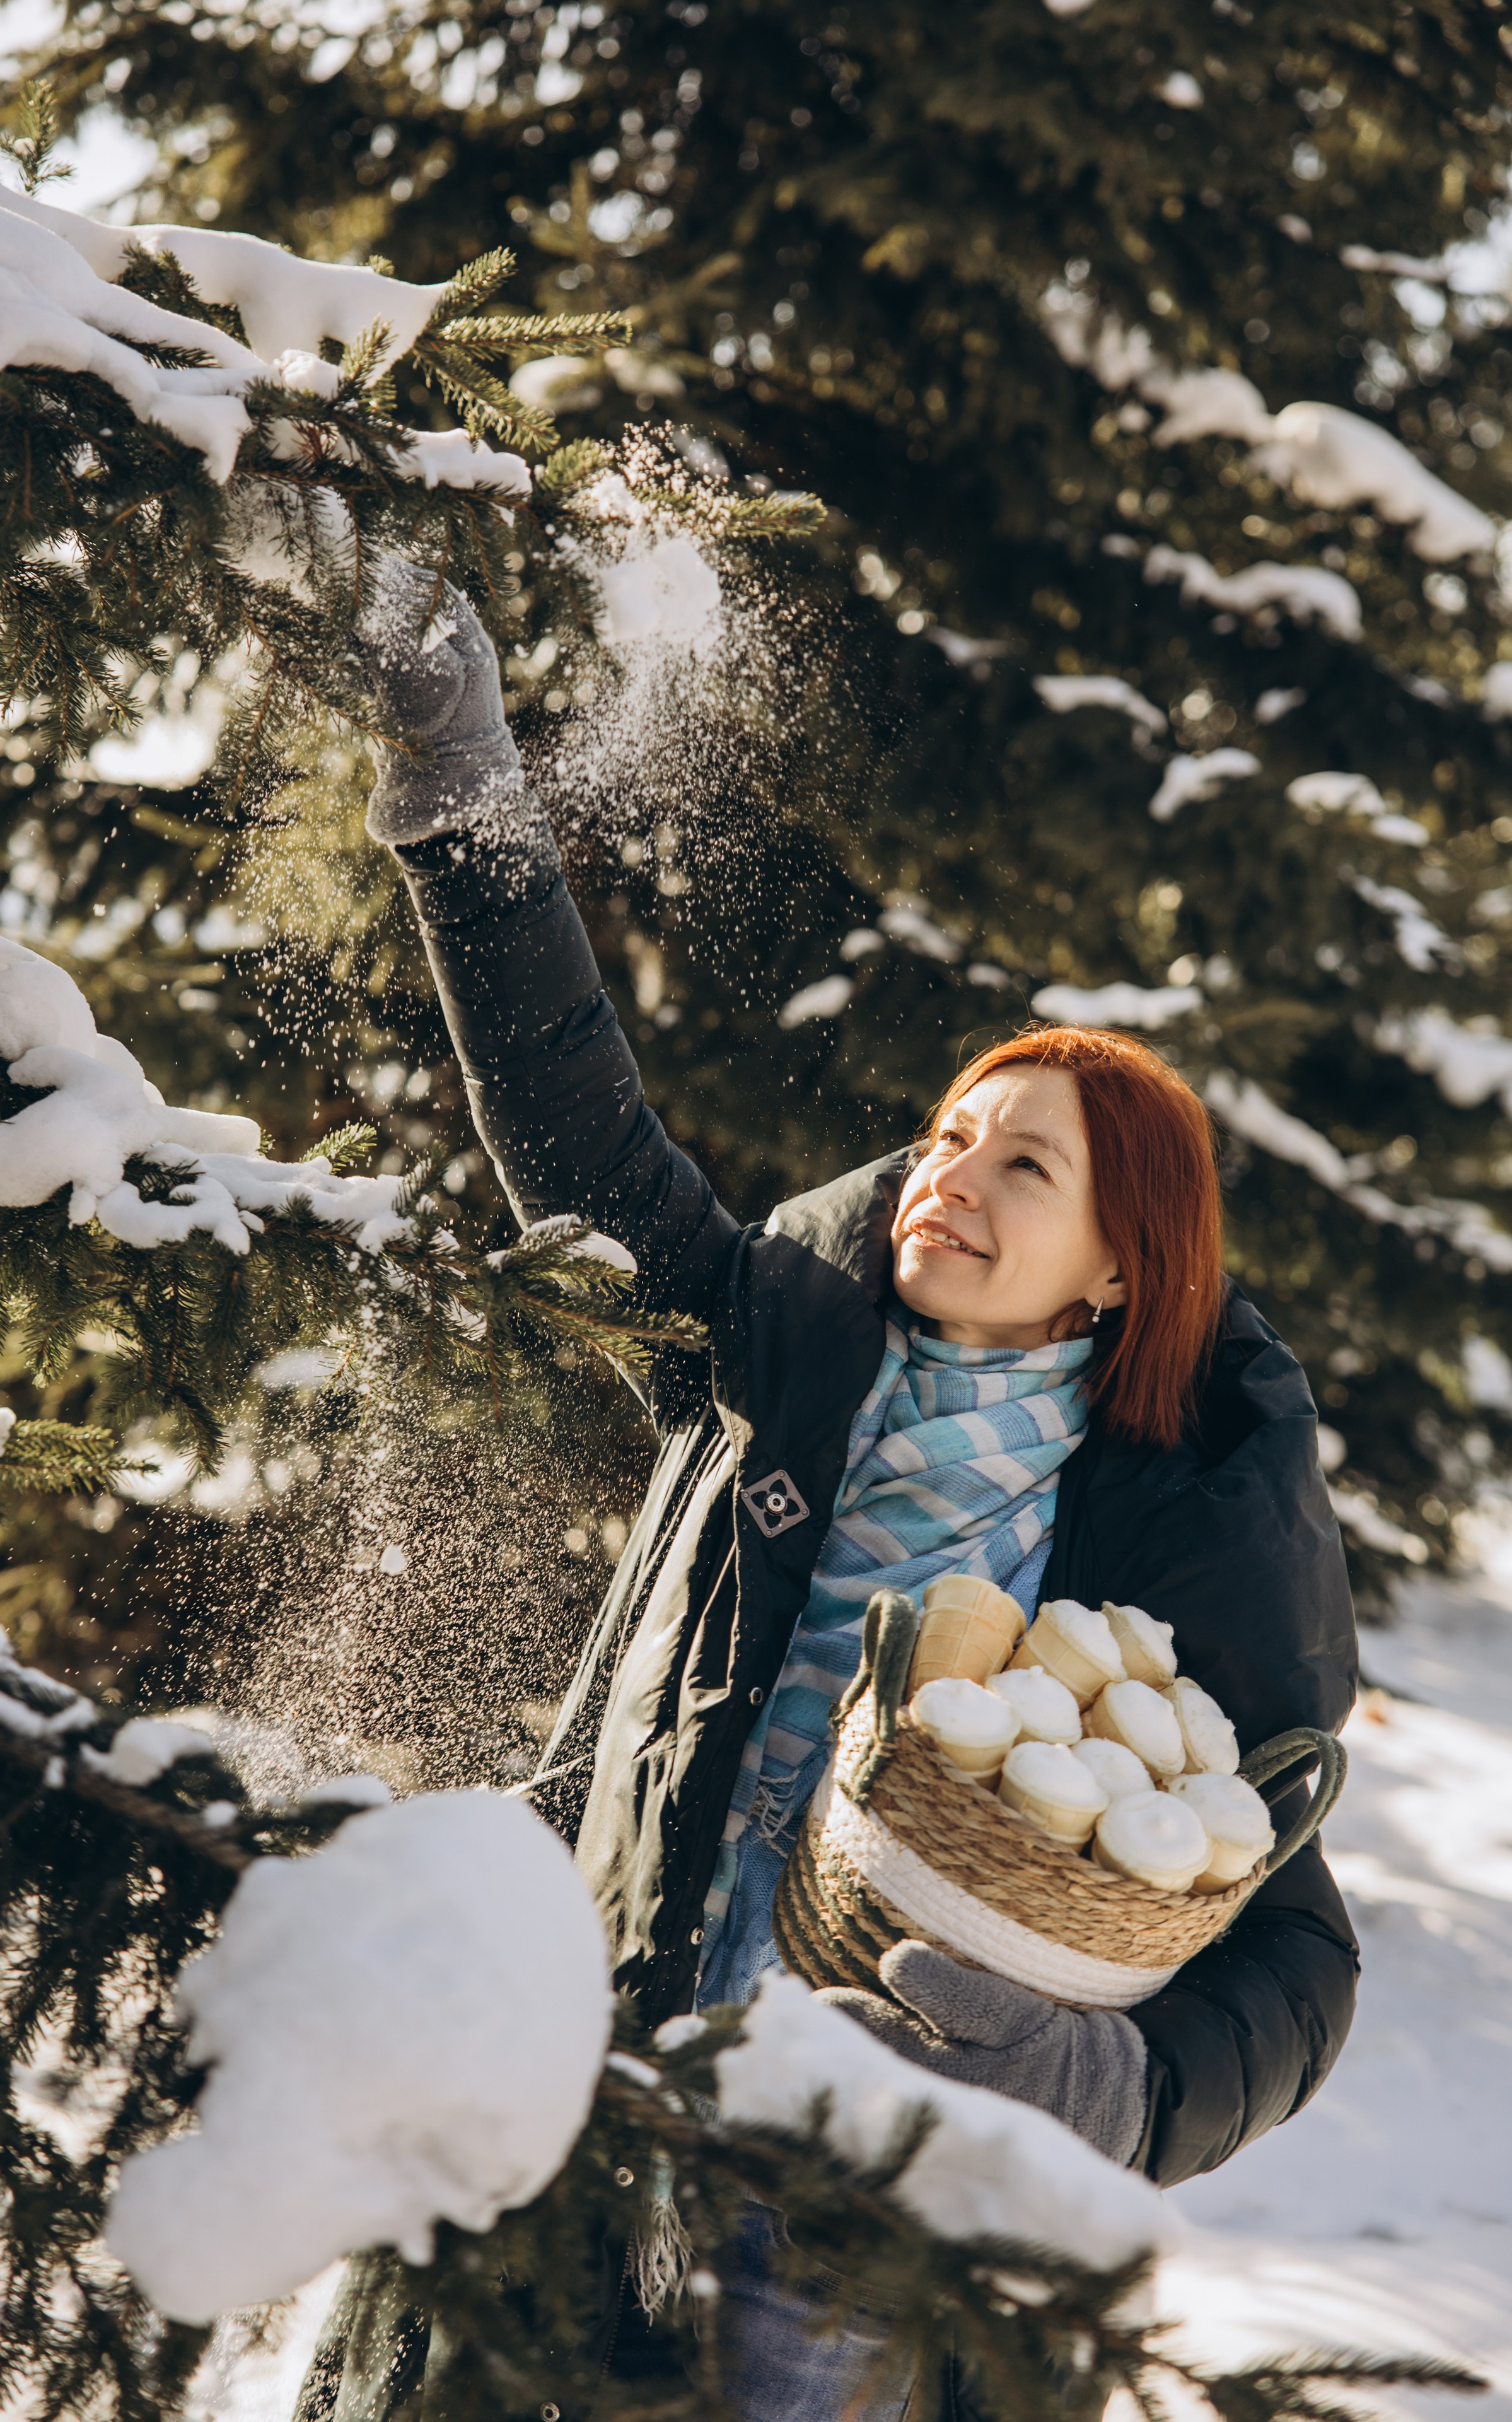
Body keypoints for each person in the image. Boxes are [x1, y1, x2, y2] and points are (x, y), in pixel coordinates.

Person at [340, 568, 1359, 2421]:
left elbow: (1295, 1953)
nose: (949, 1175)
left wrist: (1118, 2093)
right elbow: (578, 1135)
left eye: (1025, 1166)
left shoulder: (1179, 1533)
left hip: (869, 2196)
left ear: (1120, 1267)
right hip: (605, 2082)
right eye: (948, 1135)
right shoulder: (776, 1350)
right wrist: (463, 794)